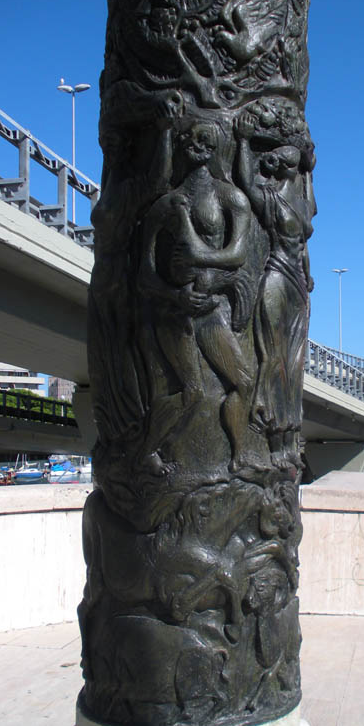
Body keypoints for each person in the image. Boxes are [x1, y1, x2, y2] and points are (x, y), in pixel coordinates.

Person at [138, 121, 255, 472]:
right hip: (176, 312)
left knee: (244, 382)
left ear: (217, 146)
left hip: (211, 310)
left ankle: (239, 457)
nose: (197, 145)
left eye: (206, 139)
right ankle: (147, 452)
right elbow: (144, 273)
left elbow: (237, 254)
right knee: (192, 392)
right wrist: (175, 297)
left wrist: (197, 256)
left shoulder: (230, 197)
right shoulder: (166, 205)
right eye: (189, 138)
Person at [235, 109, 316, 466]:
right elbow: (245, 181)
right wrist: (240, 142)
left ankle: (286, 441)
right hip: (276, 278)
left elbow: (304, 247)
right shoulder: (274, 199)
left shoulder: (301, 202)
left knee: (294, 364)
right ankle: (268, 431)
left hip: (297, 285)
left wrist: (309, 276)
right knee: (273, 358)